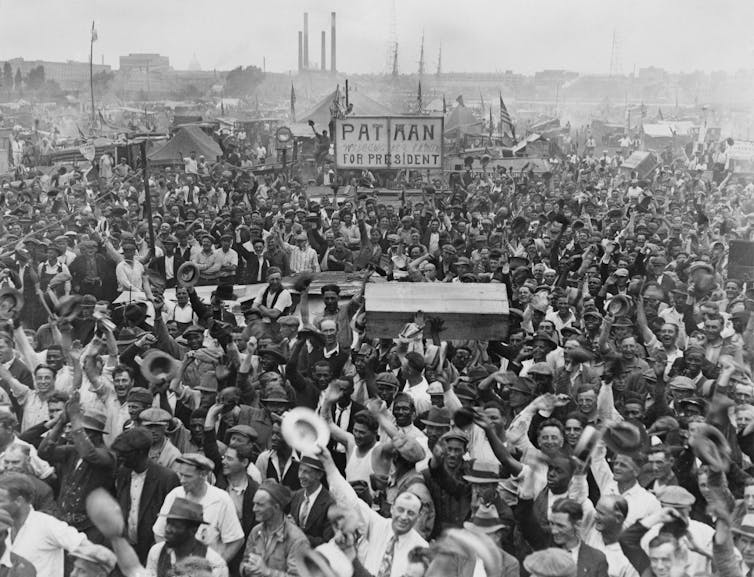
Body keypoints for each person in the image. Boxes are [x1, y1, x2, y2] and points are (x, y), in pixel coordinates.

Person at [318, 445, 428, 577]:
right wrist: (329, 466)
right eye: (400, 510)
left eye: (411, 513)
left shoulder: (421, 549)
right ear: (392, 509)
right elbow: (351, 500)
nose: (404, 517)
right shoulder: (379, 525)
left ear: (419, 516)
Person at [153, 454, 245, 563]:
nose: (182, 480)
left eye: (187, 476)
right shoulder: (174, 495)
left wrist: (217, 566)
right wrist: (169, 561)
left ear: (203, 474)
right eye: (181, 475)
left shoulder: (221, 500)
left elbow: (236, 540)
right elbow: (159, 533)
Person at [111, 427, 180, 563]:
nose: (120, 457)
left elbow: (174, 521)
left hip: (152, 552)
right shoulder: (122, 473)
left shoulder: (166, 478)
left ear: (140, 452)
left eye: (124, 453)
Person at [0, 473, 89, 577]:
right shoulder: (4, 529)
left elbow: (85, 547)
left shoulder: (47, 524)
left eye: (0, 501)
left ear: (19, 501)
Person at [241, 479, 310, 577]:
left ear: (276, 507)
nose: (254, 509)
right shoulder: (256, 531)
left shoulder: (297, 540)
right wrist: (246, 569)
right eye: (254, 504)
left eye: (260, 505)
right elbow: (245, 561)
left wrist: (266, 572)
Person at [147, 498, 228, 577]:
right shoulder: (156, 553)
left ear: (193, 530)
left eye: (175, 525)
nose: (168, 529)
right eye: (168, 523)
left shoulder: (214, 562)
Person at [290, 456, 335, 547]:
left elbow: (327, 542)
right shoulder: (296, 496)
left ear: (319, 475)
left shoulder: (330, 504)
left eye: (306, 472)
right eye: (300, 470)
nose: (300, 476)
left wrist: (297, 533)